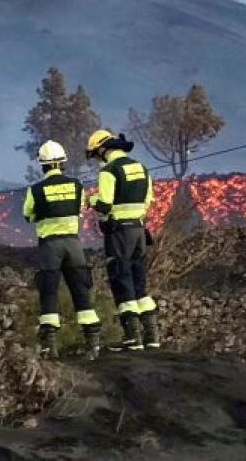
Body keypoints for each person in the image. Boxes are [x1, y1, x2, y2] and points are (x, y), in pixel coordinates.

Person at [22, 141, 102, 360]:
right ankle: (93, 345)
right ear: (63, 163)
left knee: (48, 293)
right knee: (81, 292)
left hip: (50, 246)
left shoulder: (35, 190)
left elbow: (28, 215)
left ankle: (50, 347)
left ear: (42, 165)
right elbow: (79, 211)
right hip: (73, 245)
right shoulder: (77, 186)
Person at [86, 130, 159, 351]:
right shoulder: (141, 168)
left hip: (119, 234)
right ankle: (152, 336)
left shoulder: (109, 171)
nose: (96, 158)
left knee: (121, 278)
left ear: (102, 149)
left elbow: (105, 203)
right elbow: (149, 201)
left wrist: (90, 200)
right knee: (139, 282)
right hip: (139, 231)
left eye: (95, 154)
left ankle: (132, 337)